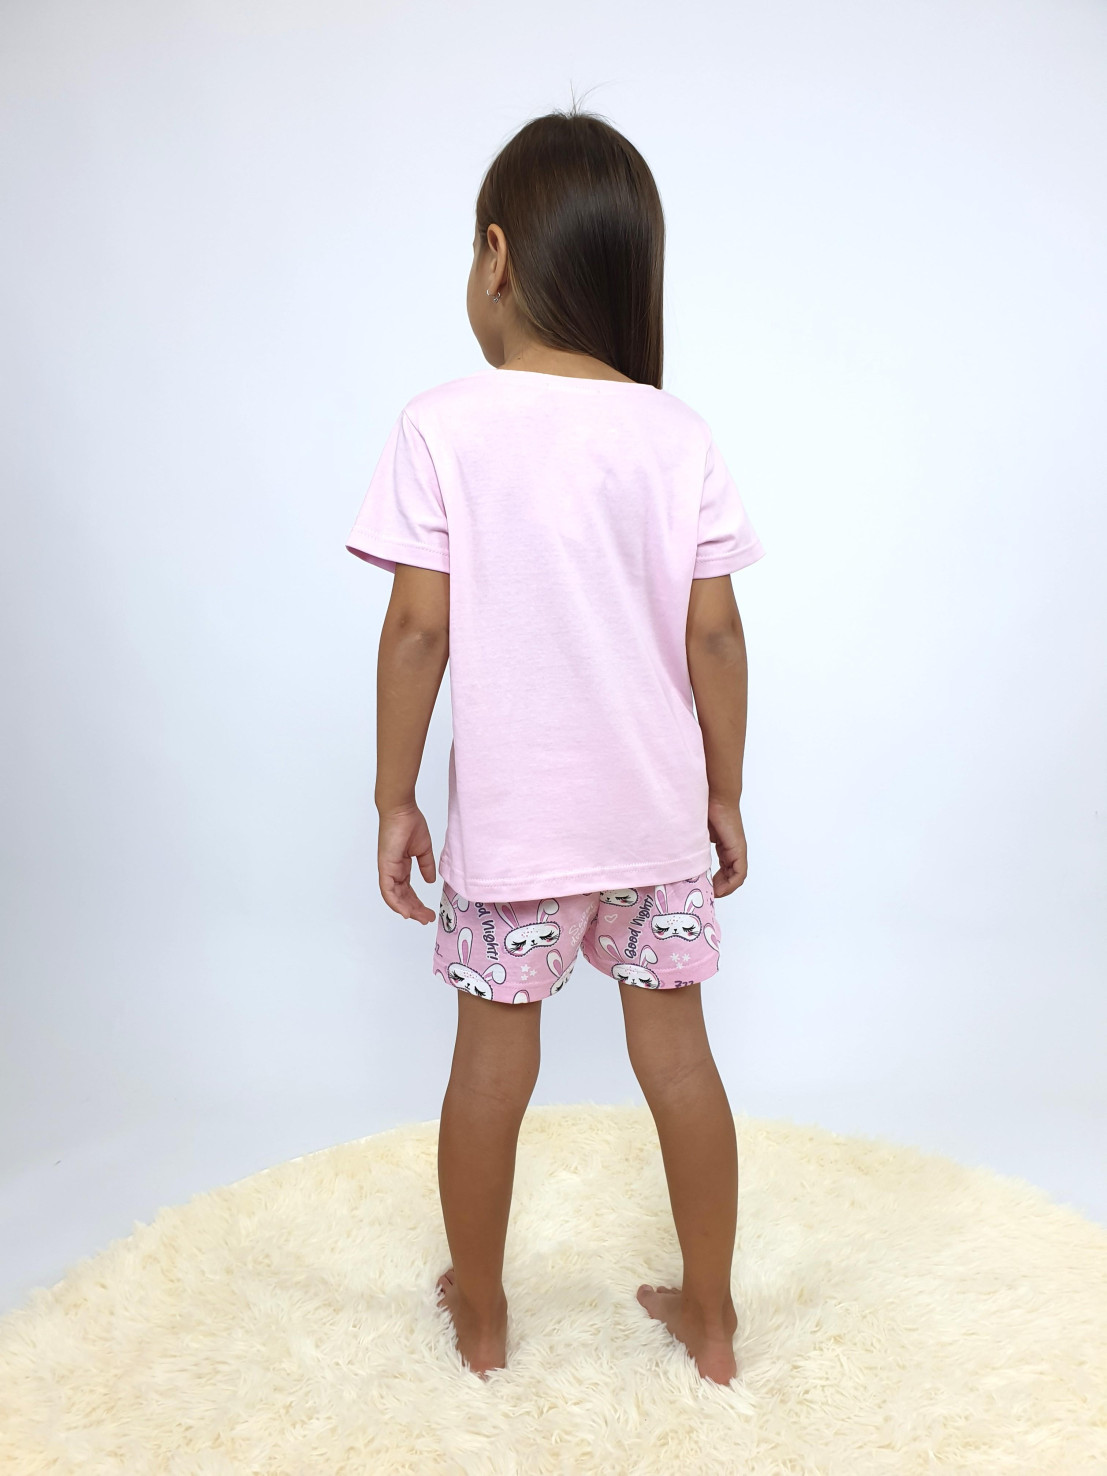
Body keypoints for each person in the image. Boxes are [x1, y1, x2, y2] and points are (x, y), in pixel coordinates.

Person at [344, 107, 765, 1386]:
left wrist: (394, 796)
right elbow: (717, 637)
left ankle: (481, 1318)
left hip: (516, 830)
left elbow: (419, 631)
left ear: (496, 256)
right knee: (680, 1062)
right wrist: (725, 791)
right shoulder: (676, 433)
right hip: (655, 822)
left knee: (489, 1074)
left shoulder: (443, 425)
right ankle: (712, 1319)